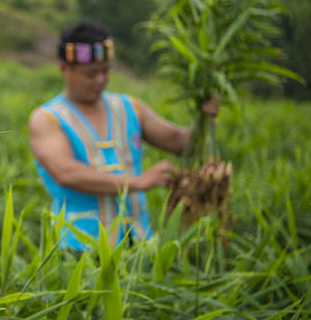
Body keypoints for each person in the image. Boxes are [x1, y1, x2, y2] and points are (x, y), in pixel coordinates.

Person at [28, 21, 217, 250]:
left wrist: (204, 120)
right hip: (79, 250)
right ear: (64, 69)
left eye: (105, 71)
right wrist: (138, 182)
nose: (100, 80)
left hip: (139, 244)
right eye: (91, 74)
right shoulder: (48, 118)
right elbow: (66, 173)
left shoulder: (129, 108)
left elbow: (178, 142)